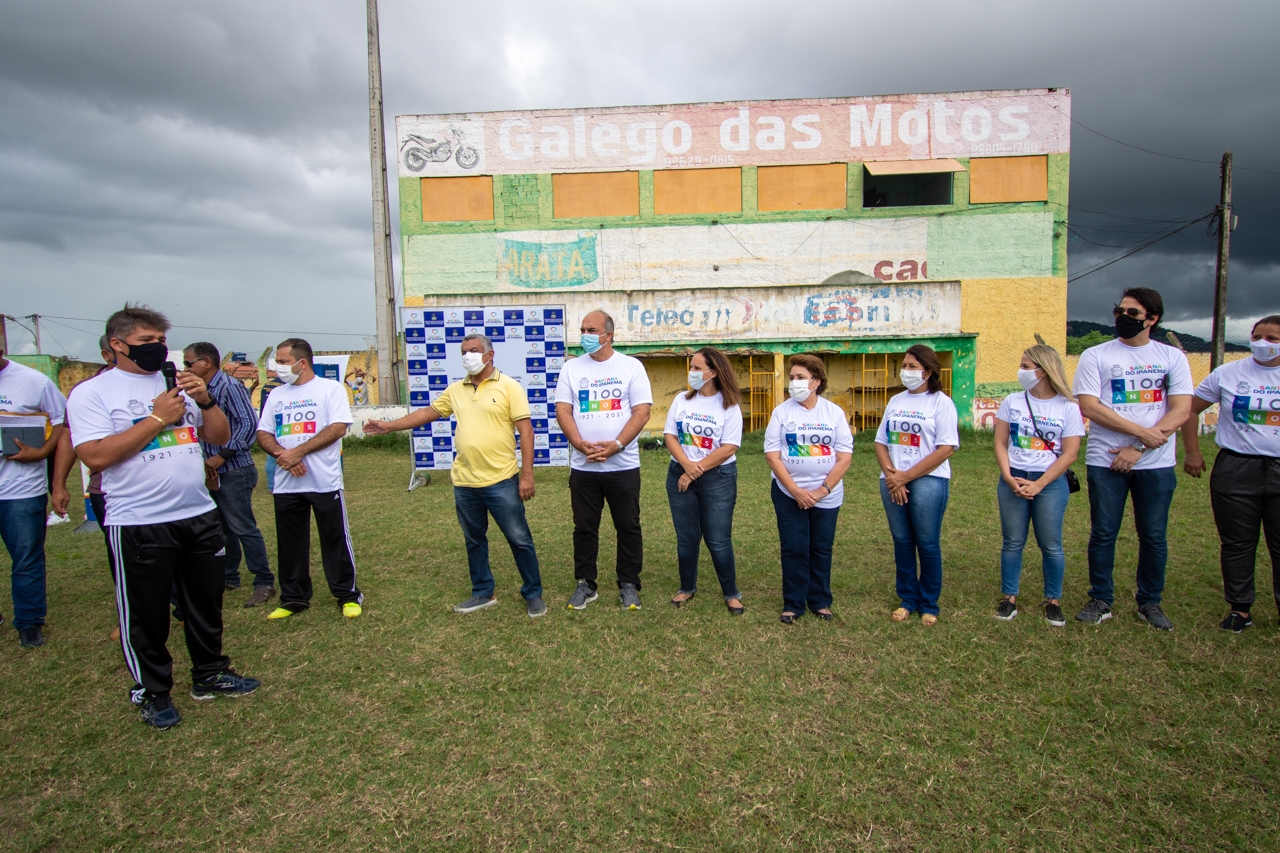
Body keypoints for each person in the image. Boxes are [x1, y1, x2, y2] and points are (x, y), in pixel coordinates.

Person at [67, 305, 259, 729]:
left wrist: (205, 400)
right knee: (147, 612)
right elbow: (95, 456)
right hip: (139, 519)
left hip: (197, 513)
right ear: (117, 345)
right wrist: (157, 418)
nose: (157, 348)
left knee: (205, 603)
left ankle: (210, 673)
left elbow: (219, 436)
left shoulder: (178, 384)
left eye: (160, 340)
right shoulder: (93, 393)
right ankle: (153, 691)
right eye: (146, 341)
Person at [365, 334, 545, 617]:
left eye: (473, 350)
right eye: (463, 351)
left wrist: (527, 476)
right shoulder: (455, 390)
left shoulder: (510, 387)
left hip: (501, 480)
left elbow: (527, 432)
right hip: (465, 482)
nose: (467, 355)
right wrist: (390, 426)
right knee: (474, 540)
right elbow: (427, 413)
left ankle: (533, 593)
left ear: (490, 355)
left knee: (518, 538)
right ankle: (483, 592)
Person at [1072, 288, 1192, 630]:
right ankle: (1100, 599)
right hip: (1105, 460)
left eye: (1133, 312)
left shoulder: (1172, 357)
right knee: (1103, 533)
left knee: (1153, 535)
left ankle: (1149, 602)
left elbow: (1181, 409)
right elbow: (1090, 406)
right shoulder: (1095, 355)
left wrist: (1138, 447)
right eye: (1119, 311)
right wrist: (1141, 433)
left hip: (1156, 464)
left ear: (1152, 319)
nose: (1123, 317)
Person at [1181, 315, 1280, 633]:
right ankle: (1240, 609)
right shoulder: (1228, 373)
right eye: (1257, 336)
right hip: (1236, 467)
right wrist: (1193, 452)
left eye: (1272, 339)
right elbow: (1190, 409)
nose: (1262, 343)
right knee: (1237, 543)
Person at [255, 338, 363, 620]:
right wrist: (284, 456)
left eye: (282, 361)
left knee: (334, 538)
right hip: (286, 482)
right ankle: (293, 598)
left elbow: (337, 428)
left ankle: (347, 595)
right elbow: (263, 432)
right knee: (290, 541)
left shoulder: (330, 389)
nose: (278, 367)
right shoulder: (276, 395)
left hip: (323, 481)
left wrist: (298, 452)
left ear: (301, 363)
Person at [554, 310, 652, 611]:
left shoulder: (631, 366)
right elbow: (563, 410)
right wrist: (579, 444)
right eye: (582, 329)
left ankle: (628, 584)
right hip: (583, 467)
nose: (584, 335)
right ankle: (585, 584)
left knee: (628, 526)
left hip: (623, 466)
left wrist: (617, 446)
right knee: (584, 527)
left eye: (591, 330)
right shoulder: (571, 368)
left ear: (609, 335)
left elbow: (642, 412)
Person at [992, 345, 1084, 627]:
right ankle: (1009, 598)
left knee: (1051, 544)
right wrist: (1008, 477)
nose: (1020, 371)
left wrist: (1040, 484)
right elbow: (1000, 442)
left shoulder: (1068, 407)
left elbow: (1070, 453)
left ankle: (1053, 602)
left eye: (1025, 366)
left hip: (1051, 482)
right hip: (1014, 477)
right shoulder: (1012, 401)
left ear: (1043, 371)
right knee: (1012, 541)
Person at [183, 342, 276, 608]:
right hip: (213, 470)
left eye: (189, 363)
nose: (186, 368)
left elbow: (248, 424)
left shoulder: (229, 386)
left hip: (234, 468)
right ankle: (229, 576)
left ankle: (263, 581)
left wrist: (222, 455)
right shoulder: (199, 391)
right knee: (222, 528)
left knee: (243, 527)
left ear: (207, 362)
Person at [763, 354, 854, 624]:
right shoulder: (781, 412)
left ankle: (820, 601)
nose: (794, 382)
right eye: (792, 377)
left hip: (826, 495)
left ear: (816, 381)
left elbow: (844, 457)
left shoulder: (833, 413)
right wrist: (796, 491)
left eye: (800, 377)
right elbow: (772, 455)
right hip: (788, 493)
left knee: (821, 548)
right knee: (794, 547)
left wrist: (821, 491)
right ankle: (793, 603)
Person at [874, 345, 959, 626]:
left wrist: (906, 476)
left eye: (912, 366)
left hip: (928, 481)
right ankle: (907, 599)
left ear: (928, 371)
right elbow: (881, 442)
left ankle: (929, 603)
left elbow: (946, 448)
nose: (906, 371)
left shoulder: (941, 403)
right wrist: (893, 476)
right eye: (904, 365)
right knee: (902, 541)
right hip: (892, 480)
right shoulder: (896, 400)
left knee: (927, 542)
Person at [664, 347, 745, 615]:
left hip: (717, 478)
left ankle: (731, 593)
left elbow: (729, 447)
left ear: (714, 372)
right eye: (692, 367)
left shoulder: (729, 406)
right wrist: (686, 466)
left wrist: (693, 470)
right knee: (686, 538)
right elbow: (670, 436)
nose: (692, 372)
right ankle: (687, 587)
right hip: (680, 473)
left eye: (697, 368)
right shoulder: (681, 400)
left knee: (718, 539)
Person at [0, 346, 67, 648]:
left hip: (21, 489)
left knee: (26, 559)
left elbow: (64, 421)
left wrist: (42, 452)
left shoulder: (34, 381)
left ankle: (28, 622)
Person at [51, 336, 118, 639]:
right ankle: (131, 614)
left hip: (165, 491)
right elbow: (68, 438)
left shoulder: (166, 383)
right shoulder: (88, 392)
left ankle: (181, 607)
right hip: (109, 490)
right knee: (122, 556)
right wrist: (59, 484)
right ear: (108, 352)